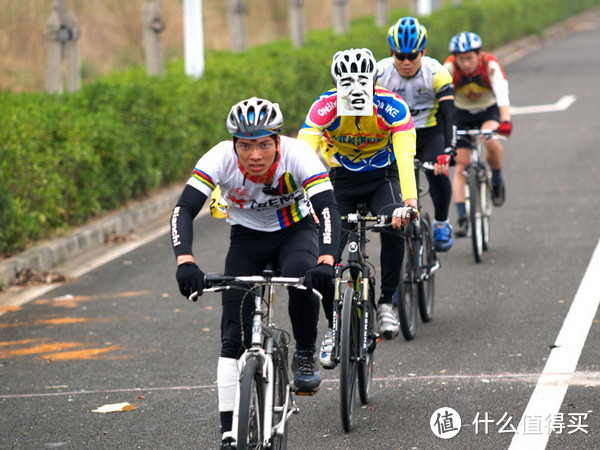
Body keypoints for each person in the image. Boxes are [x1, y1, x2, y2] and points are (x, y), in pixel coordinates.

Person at [170, 97, 341, 448]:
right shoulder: (219, 158)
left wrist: (325, 261)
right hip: (246, 239)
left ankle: (305, 352)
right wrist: (185, 261)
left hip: (296, 231)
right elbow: (183, 210)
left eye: (264, 144)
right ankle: (229, 433)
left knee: (300, 276)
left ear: (278, 141)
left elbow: (327, 209)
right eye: (245, 146)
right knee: (233, 335)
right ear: (234, 145)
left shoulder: (298, 155)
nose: (255, 155)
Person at [297, 48, 418, 368]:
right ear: (336, 84)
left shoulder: (391, 106)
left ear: (374, 82)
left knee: (395, 223)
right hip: (341, 179)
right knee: (327, 252)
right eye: (346, 84)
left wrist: (409, 202)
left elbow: (406, 157)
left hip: (384, 177)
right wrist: (299, 198)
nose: (354, 91)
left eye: (362, 83)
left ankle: (387, 302)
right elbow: (301, 155)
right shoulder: (324, 107)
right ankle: (334, 326)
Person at [377, 16, 457, 252]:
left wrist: (449, 150)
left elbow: (450, 114)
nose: (406, 61)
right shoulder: (380, 73)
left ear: (423, 52)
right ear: (392, 53)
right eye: (400, 56)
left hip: (429, 133)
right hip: (395, 137)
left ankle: (442, 222)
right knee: (389, 185)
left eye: (412, 56)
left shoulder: (436, 72)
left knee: (438, 171)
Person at [444, 31, 512, 237]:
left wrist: (506, 120)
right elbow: (439, 96)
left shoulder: (490, 65)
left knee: (489, 139)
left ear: (479, 54)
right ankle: (462, 217)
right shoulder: (449, 68)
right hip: (461, 114)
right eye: (461, 58)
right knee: (460, 165)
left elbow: (502, 93)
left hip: (487, 111)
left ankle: (498, 180)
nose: (465, 63)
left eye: (469, 58)